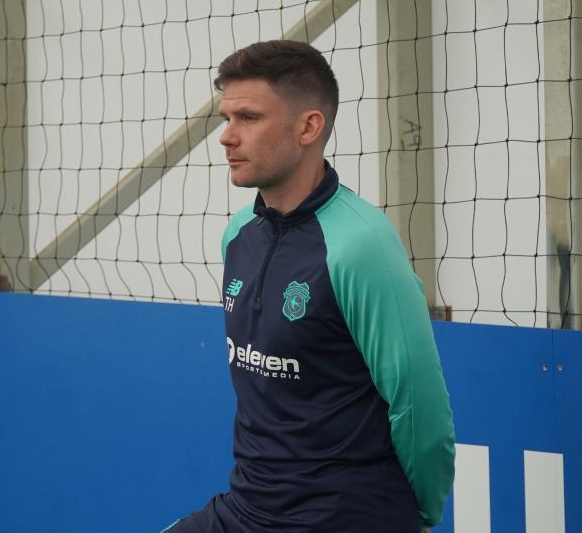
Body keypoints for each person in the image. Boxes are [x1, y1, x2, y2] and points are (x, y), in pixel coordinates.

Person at [163, 40, 455, 533]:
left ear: (308, 127)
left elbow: (419, 406)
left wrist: (420, 516)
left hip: (344, 516)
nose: (227, 136)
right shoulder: (239, 233)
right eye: (227, 118)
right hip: (250, 508)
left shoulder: (362, 244)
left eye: (249, 118)